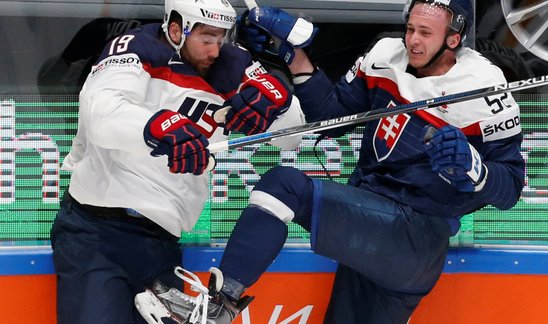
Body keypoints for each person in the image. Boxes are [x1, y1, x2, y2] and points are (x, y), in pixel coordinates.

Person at [140, 0, 526, 323]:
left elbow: (509, 187)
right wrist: (293, 55)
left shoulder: (483, 88)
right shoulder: (384, 57)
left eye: (426, 33)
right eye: (410, 28)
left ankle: (217, 308)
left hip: (417, 237)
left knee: (284, 185)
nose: (413, 40)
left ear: (454, 39)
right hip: (376, 231)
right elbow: (332, 116)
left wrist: (475, 169)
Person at [48, 0, 306, 322]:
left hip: (161, 241)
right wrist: (158, 125)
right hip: (97, 231)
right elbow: (102, 113)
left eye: (221, 38)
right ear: (175, 29)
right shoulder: (137, 47)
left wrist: (278, 101)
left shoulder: (233, 62)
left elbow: (292, 136)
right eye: (206, 38)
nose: (215, 49)